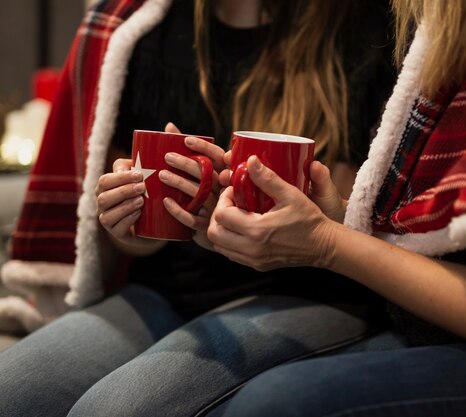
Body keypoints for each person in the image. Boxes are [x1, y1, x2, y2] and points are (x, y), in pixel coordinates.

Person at [202, 0, 466, 416]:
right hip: (420, 325)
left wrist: (328, 242)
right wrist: (337, 220)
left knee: (275, 401)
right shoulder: (459, 30)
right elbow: (458, 241)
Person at [0, 0, 395, 415]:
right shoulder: (144, 26)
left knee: (115, 409)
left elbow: (353, 224)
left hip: (301, 292)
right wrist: (130, 222)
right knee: (13, 391)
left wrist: (238, 228)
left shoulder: (360, 29)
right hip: (166, 288)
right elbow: (133, 239)